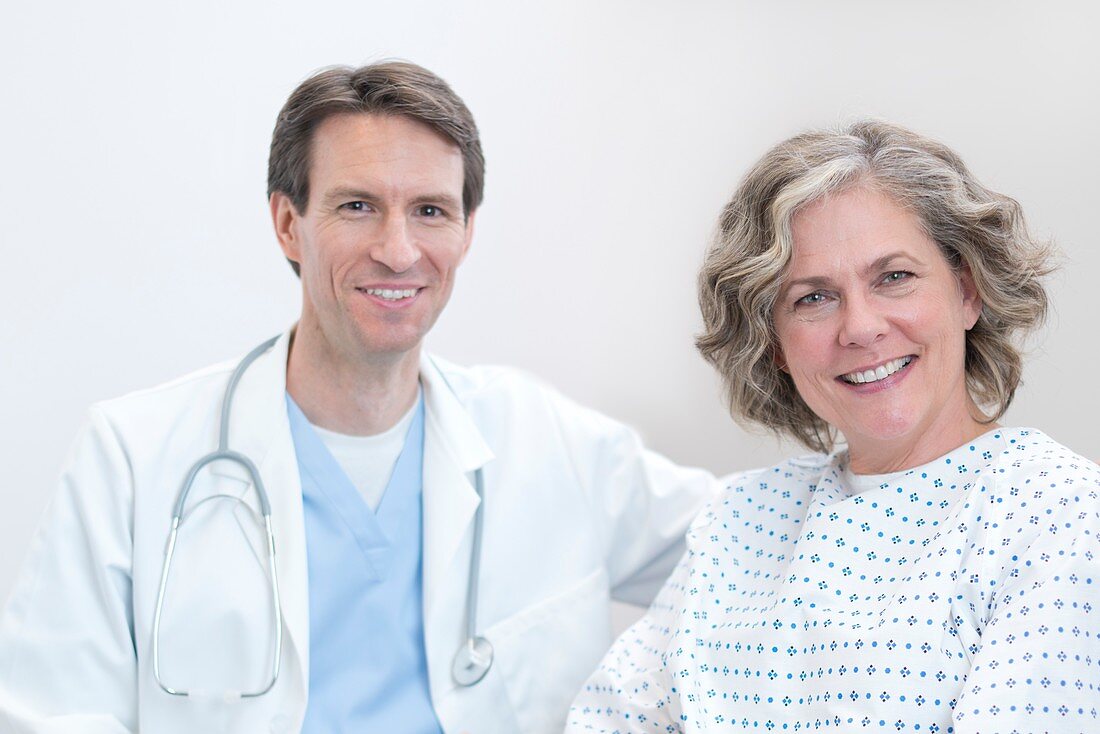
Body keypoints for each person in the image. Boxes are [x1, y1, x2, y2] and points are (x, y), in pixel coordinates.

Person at [0, 61, 716, 734]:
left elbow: (761, 543)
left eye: (432, 211)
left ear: (467, 232)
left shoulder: (548, 442)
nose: (398, 250)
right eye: (357, 205)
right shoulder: (132, 456)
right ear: (288, 224)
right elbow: (56, 712)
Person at [567, 120, 1100, 733]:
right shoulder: (742, 516)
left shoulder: (1056, 514)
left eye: (893, 277)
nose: (860, 327)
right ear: (772, 344)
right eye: (812, 298)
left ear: (967, 292)